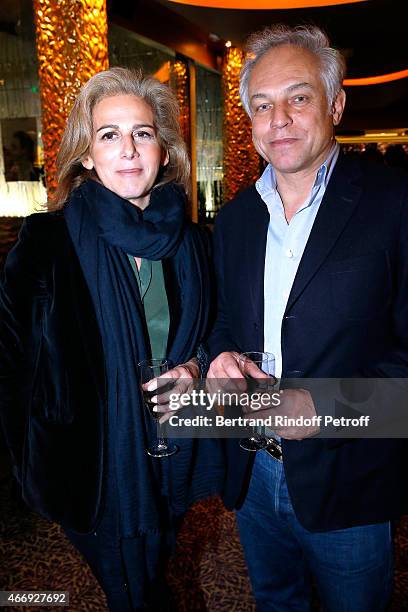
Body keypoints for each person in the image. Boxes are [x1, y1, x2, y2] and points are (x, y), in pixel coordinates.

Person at [0, 67, 222, 611]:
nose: (128, 149)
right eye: (109, 134)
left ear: (164, 151)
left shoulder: (191, 240)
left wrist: (193, 368)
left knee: (160, 568)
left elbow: (214, 327)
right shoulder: (46, 241)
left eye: (142, 133)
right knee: (133, 590)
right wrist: (29, 467)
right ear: (85, 154)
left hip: (174, 455)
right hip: (93, 469)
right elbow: (10, 365)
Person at [208, 24, 408, 611]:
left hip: (349, 477)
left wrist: (326, 407)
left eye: (298, 97)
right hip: (253, 474)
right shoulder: (238, 216)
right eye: (263, 105)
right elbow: (224, 321)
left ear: (336, 103)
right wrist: (220, 357)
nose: (280, 120)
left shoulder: (395, 204)